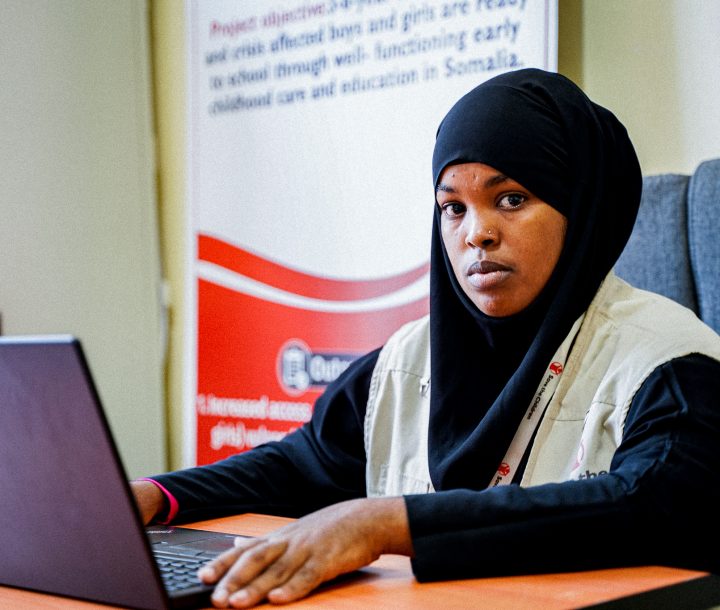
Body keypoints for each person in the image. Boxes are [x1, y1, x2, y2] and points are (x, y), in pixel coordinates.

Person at [132, 68, 720, 608]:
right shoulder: (406, 360)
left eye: (511, 199)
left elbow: (649, 504)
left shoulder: (669, 361)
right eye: (453, 208)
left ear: (580, 209)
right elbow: (297, 466)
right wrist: (157, 495)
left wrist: (386, 524)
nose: (478, 234)